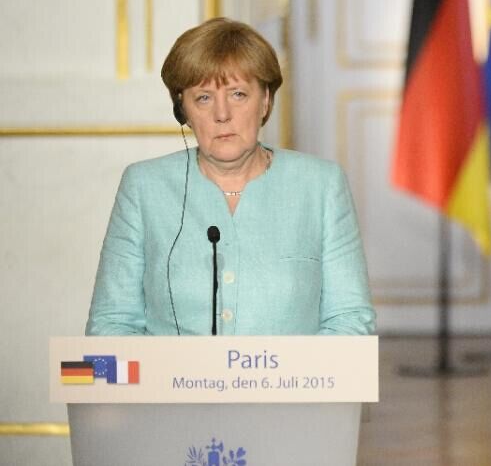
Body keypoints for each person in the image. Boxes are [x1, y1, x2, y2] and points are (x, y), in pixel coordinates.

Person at [86, 18, 376, 336]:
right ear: (182, 110)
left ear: (265, 100)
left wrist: (285, 379)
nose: (222, 114)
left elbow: (350, 321)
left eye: (238, 94)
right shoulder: (143, 187)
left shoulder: (321, 186)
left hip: (289, 384)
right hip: (174, 385)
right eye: (204, 98)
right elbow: (111, 324)